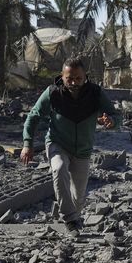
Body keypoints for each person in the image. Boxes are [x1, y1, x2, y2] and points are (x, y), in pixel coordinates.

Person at [21, 58, 122, 233]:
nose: (74, 83)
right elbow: (33, 117)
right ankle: (70, 220)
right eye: (70, 79)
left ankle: (73, 214)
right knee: (59, 169)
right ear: (62, 76)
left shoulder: (95, 93)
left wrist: (111, 121)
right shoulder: (52, 93)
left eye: (78, 79)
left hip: (83, 150)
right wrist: (27, 144)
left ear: (85, 77)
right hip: (57, 143)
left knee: (79, 198)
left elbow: (115, 115)